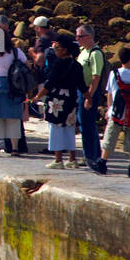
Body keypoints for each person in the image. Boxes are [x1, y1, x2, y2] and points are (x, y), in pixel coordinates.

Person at [32, 34, 86, 169]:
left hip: (57, 99)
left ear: (65, 50)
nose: (55, 50)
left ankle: (58, 160)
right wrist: (88, 99)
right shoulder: (77, 65)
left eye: (58, 48)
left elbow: (50, 83)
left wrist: (37, 96)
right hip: (72, 99)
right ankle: (72, 159)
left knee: (55, 128)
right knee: (69, 128)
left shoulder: (58, 64)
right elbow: (82, 85)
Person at [0, 23, 29, 157]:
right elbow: (27, 66)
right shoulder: (16, 52)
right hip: (13, 85)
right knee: (13, 117)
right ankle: (14, 148)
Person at [103, 46, 130, 178]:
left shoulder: (114, 73)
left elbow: (109, 94)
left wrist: (108, 109)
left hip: (116, 112)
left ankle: (103, 162)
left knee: (110, 137)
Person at [75, 24, 110, 174]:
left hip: (89, 92)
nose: (77, 39)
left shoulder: (95, 53)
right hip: (80, 91)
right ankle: (89, 154)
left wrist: (88, 96)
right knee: (83, 124)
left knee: (88, 124)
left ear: (89, 37)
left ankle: (92, 156)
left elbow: (96, 77)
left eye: (80, 36)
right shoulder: (83, 51)